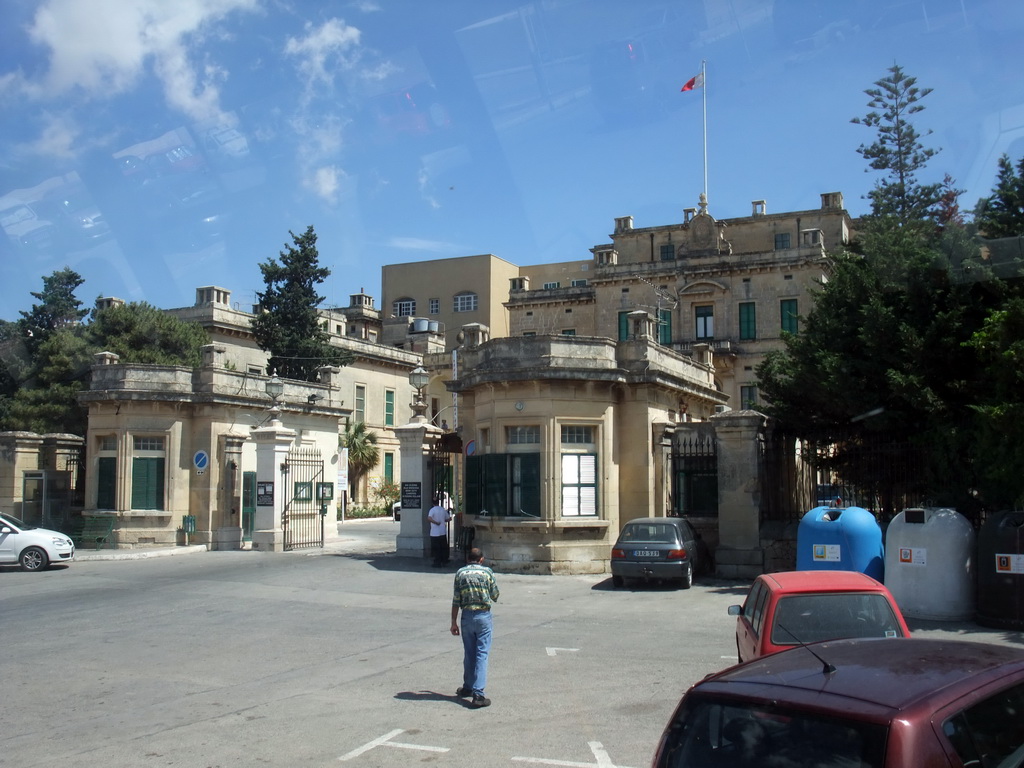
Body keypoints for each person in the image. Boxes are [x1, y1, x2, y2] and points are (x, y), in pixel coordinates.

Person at [450, 547, 499, 708]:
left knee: (469, 652)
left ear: (468, 559)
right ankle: (478, 693)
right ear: (481, 559)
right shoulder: (487, 573)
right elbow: (495, 595)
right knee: (482, 653)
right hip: (483, 615)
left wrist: (453, 622)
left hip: (466, 616)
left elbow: (456, 599)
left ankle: (468, 686)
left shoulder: (460, 573)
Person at [427, 497, 452, 567]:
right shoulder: (442, 510)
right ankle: (444, 560)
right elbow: (448, 518)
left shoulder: (432, 510)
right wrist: (443, 521)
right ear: (438, 502)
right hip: (442, 532)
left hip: (434, 532)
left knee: (436, 548)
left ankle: (437, 562)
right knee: (443, 547)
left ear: (432, 503)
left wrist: (435, 522)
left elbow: (429, 518)